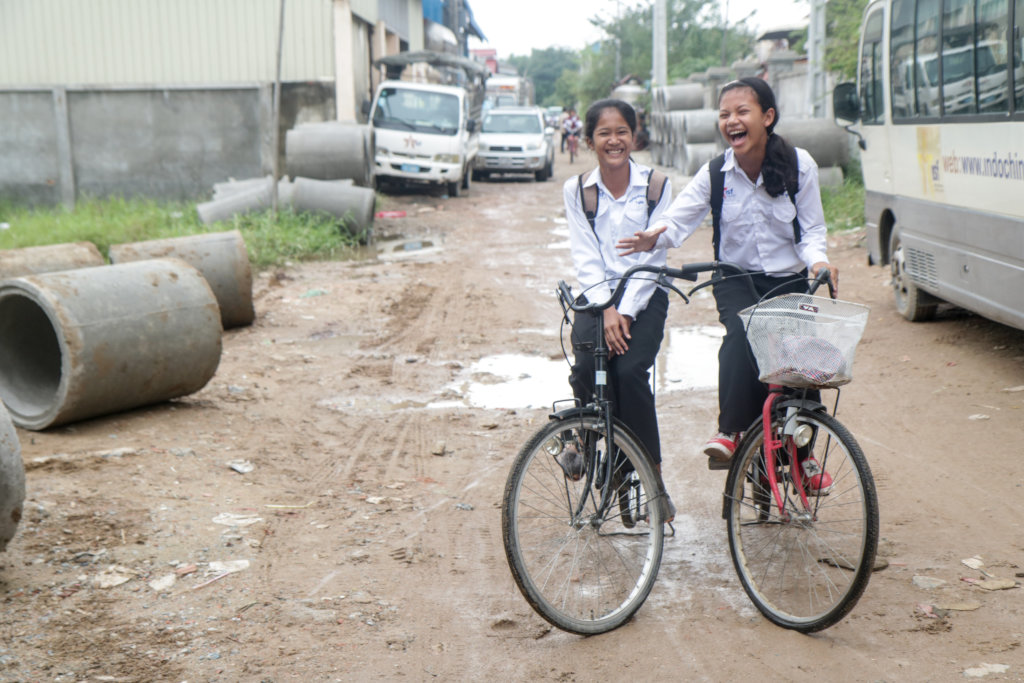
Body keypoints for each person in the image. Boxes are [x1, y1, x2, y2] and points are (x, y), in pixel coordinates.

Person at [617, 77, 837, 492]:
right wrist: (654, 234)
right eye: (724, 115)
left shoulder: (799, 164)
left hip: (788, 277)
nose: (731, 121)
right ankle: (733, 432)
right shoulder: (717, 171)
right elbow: (679, 217)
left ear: (767, 117)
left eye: (741, 112)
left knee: (798, 355)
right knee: (741, 333)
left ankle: (803, 456)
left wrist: (819, 262)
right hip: (735, 279)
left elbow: (812, 231)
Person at [559, 98, 675, 520]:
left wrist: (624, 311)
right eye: (604, 133)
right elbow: (586, 256)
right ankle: (583, 440)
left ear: (634, 136)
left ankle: (654, 479)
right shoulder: (577, 190)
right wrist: (607, 309)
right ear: (590, 140)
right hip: (597, 295)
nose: (614, 140)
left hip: (645, 294)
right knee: (589, 364)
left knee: (628, 372)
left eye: (622, 131)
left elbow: (653, 259)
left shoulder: (657, 186)